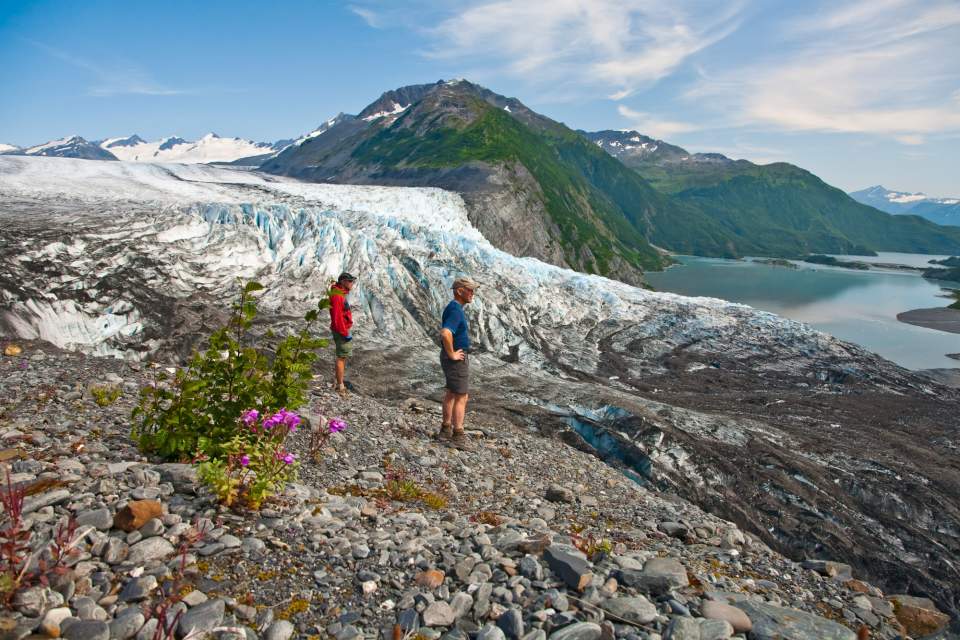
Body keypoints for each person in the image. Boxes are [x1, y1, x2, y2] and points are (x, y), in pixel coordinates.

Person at [438, 276, 479, 450]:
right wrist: (452, 354)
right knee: (462, 396)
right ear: (459, 291)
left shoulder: (454, 308)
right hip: (456, 359)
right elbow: (446, 333)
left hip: (451, 358)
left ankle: (445, 429)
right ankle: (458, 435)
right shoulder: (455, 310)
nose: (472, 293)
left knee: (451, 393)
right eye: (470, 290)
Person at [329, 271, 356, 395]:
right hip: (341, 331)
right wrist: (344, 332)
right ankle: (340, 386)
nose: (352, 283)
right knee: (341, 357)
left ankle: (338, 383)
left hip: (342, 329)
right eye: (350, 281)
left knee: (342, 357)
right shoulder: (338, 296)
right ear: (343, 282)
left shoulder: (340, 294)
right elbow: (336, 317)